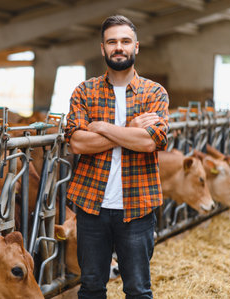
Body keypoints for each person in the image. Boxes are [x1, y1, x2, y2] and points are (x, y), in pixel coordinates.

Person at [64, 15, 169, 299]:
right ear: (102, 48)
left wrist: (105, 129)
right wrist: (130, 130)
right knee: (91, 288)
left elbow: (150, 142)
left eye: (125, 41)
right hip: (91, 206)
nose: (118, 47)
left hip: (138, 207)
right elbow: (77, 143)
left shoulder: (154, 93)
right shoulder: (84, 92)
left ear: (136, 46)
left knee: (137, 290)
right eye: (112, 42)